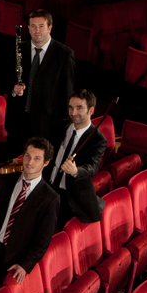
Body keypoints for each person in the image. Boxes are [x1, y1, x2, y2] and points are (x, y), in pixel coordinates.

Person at [0, 137, 60, 293]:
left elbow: (43, 241)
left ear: (46, 163)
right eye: (27, 156)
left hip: (13, 257)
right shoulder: (7, 178)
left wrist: (25, 265)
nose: (30, 162)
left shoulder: (50, 198)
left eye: (37, 158)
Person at [10, 9, 75, 145]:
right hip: (18, 122)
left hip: (47, 126)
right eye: (33, 26)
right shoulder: (19, 48)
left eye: (41, 26)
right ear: (28, 28)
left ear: (50, 28)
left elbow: (66, 94)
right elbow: (5, 77)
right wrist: (13, 88)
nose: (36, 30)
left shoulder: (64, 55)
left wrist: (62, 127)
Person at [48, 89, 107, 227]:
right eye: (71, 107)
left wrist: (76, 171)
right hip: (49, 187)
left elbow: (92, 167)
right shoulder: (60, 126)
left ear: (91, 110)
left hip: (69, 197)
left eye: (79, 108)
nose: (73, 113)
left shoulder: (98, 140)